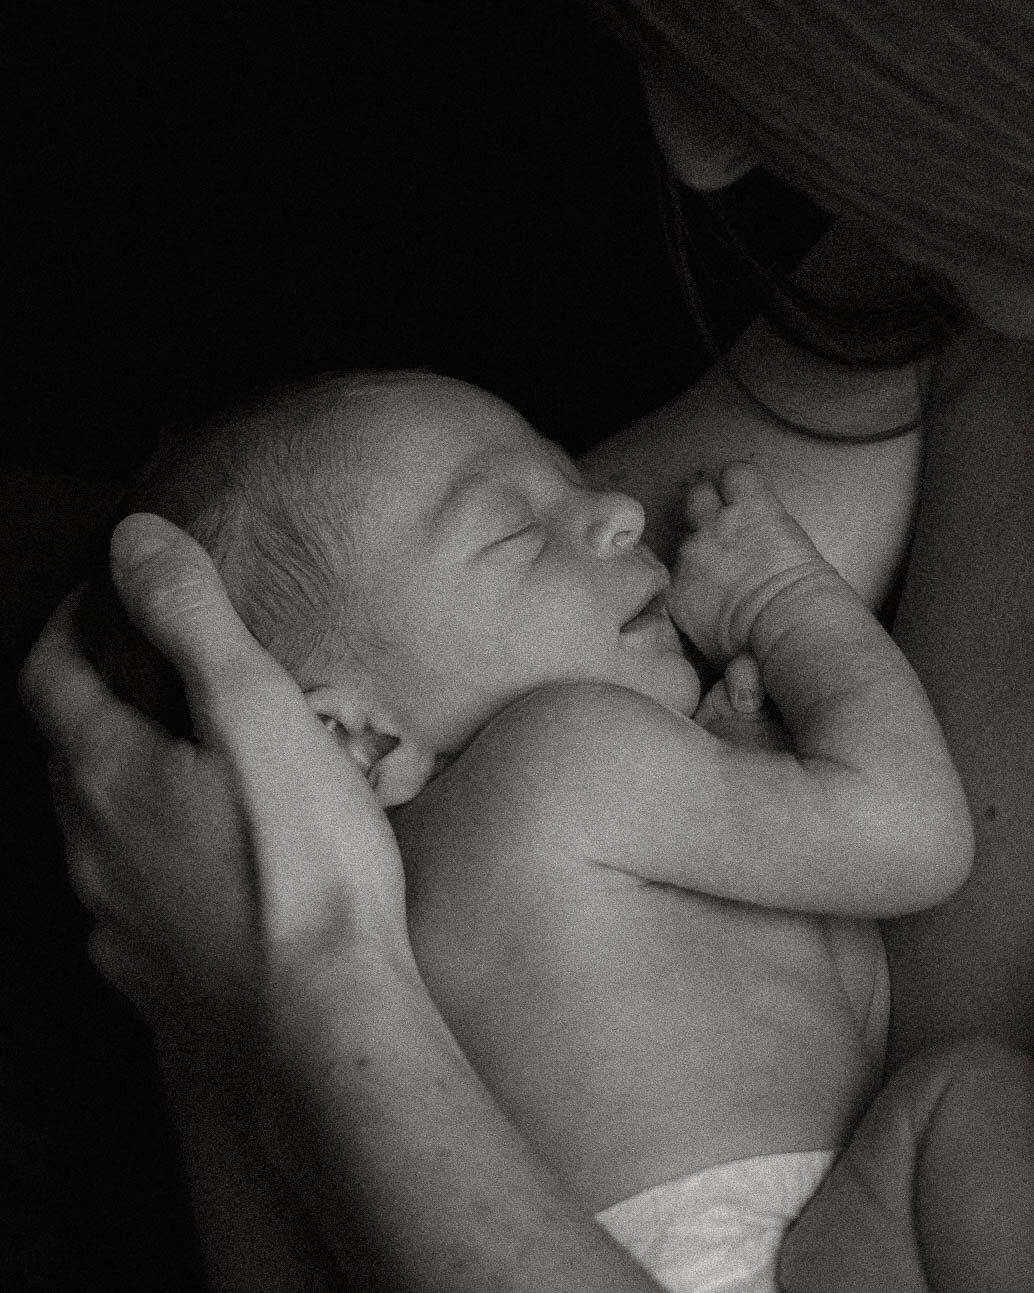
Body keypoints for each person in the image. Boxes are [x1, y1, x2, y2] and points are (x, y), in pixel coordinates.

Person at [20, 0, 1034, 1288]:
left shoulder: (485, 823)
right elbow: (899, 827)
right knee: (964, 1103)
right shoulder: (566, 753)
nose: (607, 511)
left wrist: (294, 1002)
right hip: (791, 1236)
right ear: (353, 736)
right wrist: (779, 609)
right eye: (517, 527)